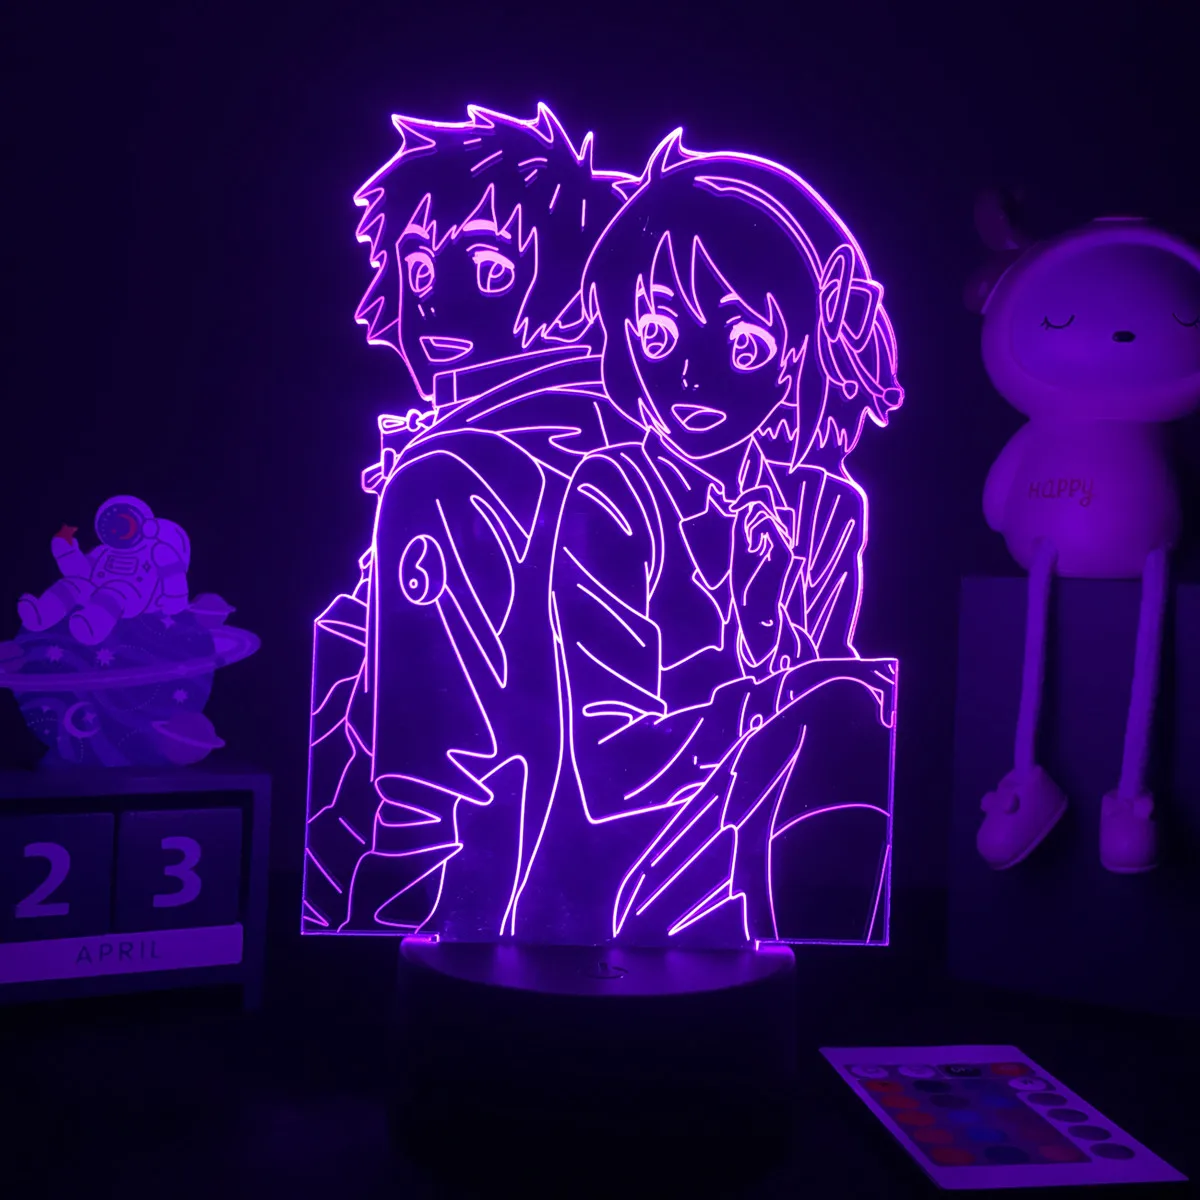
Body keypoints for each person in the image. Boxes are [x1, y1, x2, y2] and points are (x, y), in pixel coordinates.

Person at [512, 131, 903, 945]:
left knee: (850, 718)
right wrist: (762, 679)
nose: (690, 376)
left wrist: (768, 625)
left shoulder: (826, 511)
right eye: (659, 335)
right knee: (841, 710)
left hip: (761, 849)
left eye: (743, 345)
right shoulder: (613, 496)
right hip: (616, 878)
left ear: (794, 358)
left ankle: (818, 977)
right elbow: (611, 769)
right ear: (625, 338)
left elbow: (830, 738)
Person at [303, 104, 640, 937]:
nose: (439, 304)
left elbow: (433, 760)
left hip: (479, 868)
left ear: (577, 289)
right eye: (419, 270)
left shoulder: (501, 454)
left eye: (488, 269)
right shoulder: (460, 438)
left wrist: (403, 866)